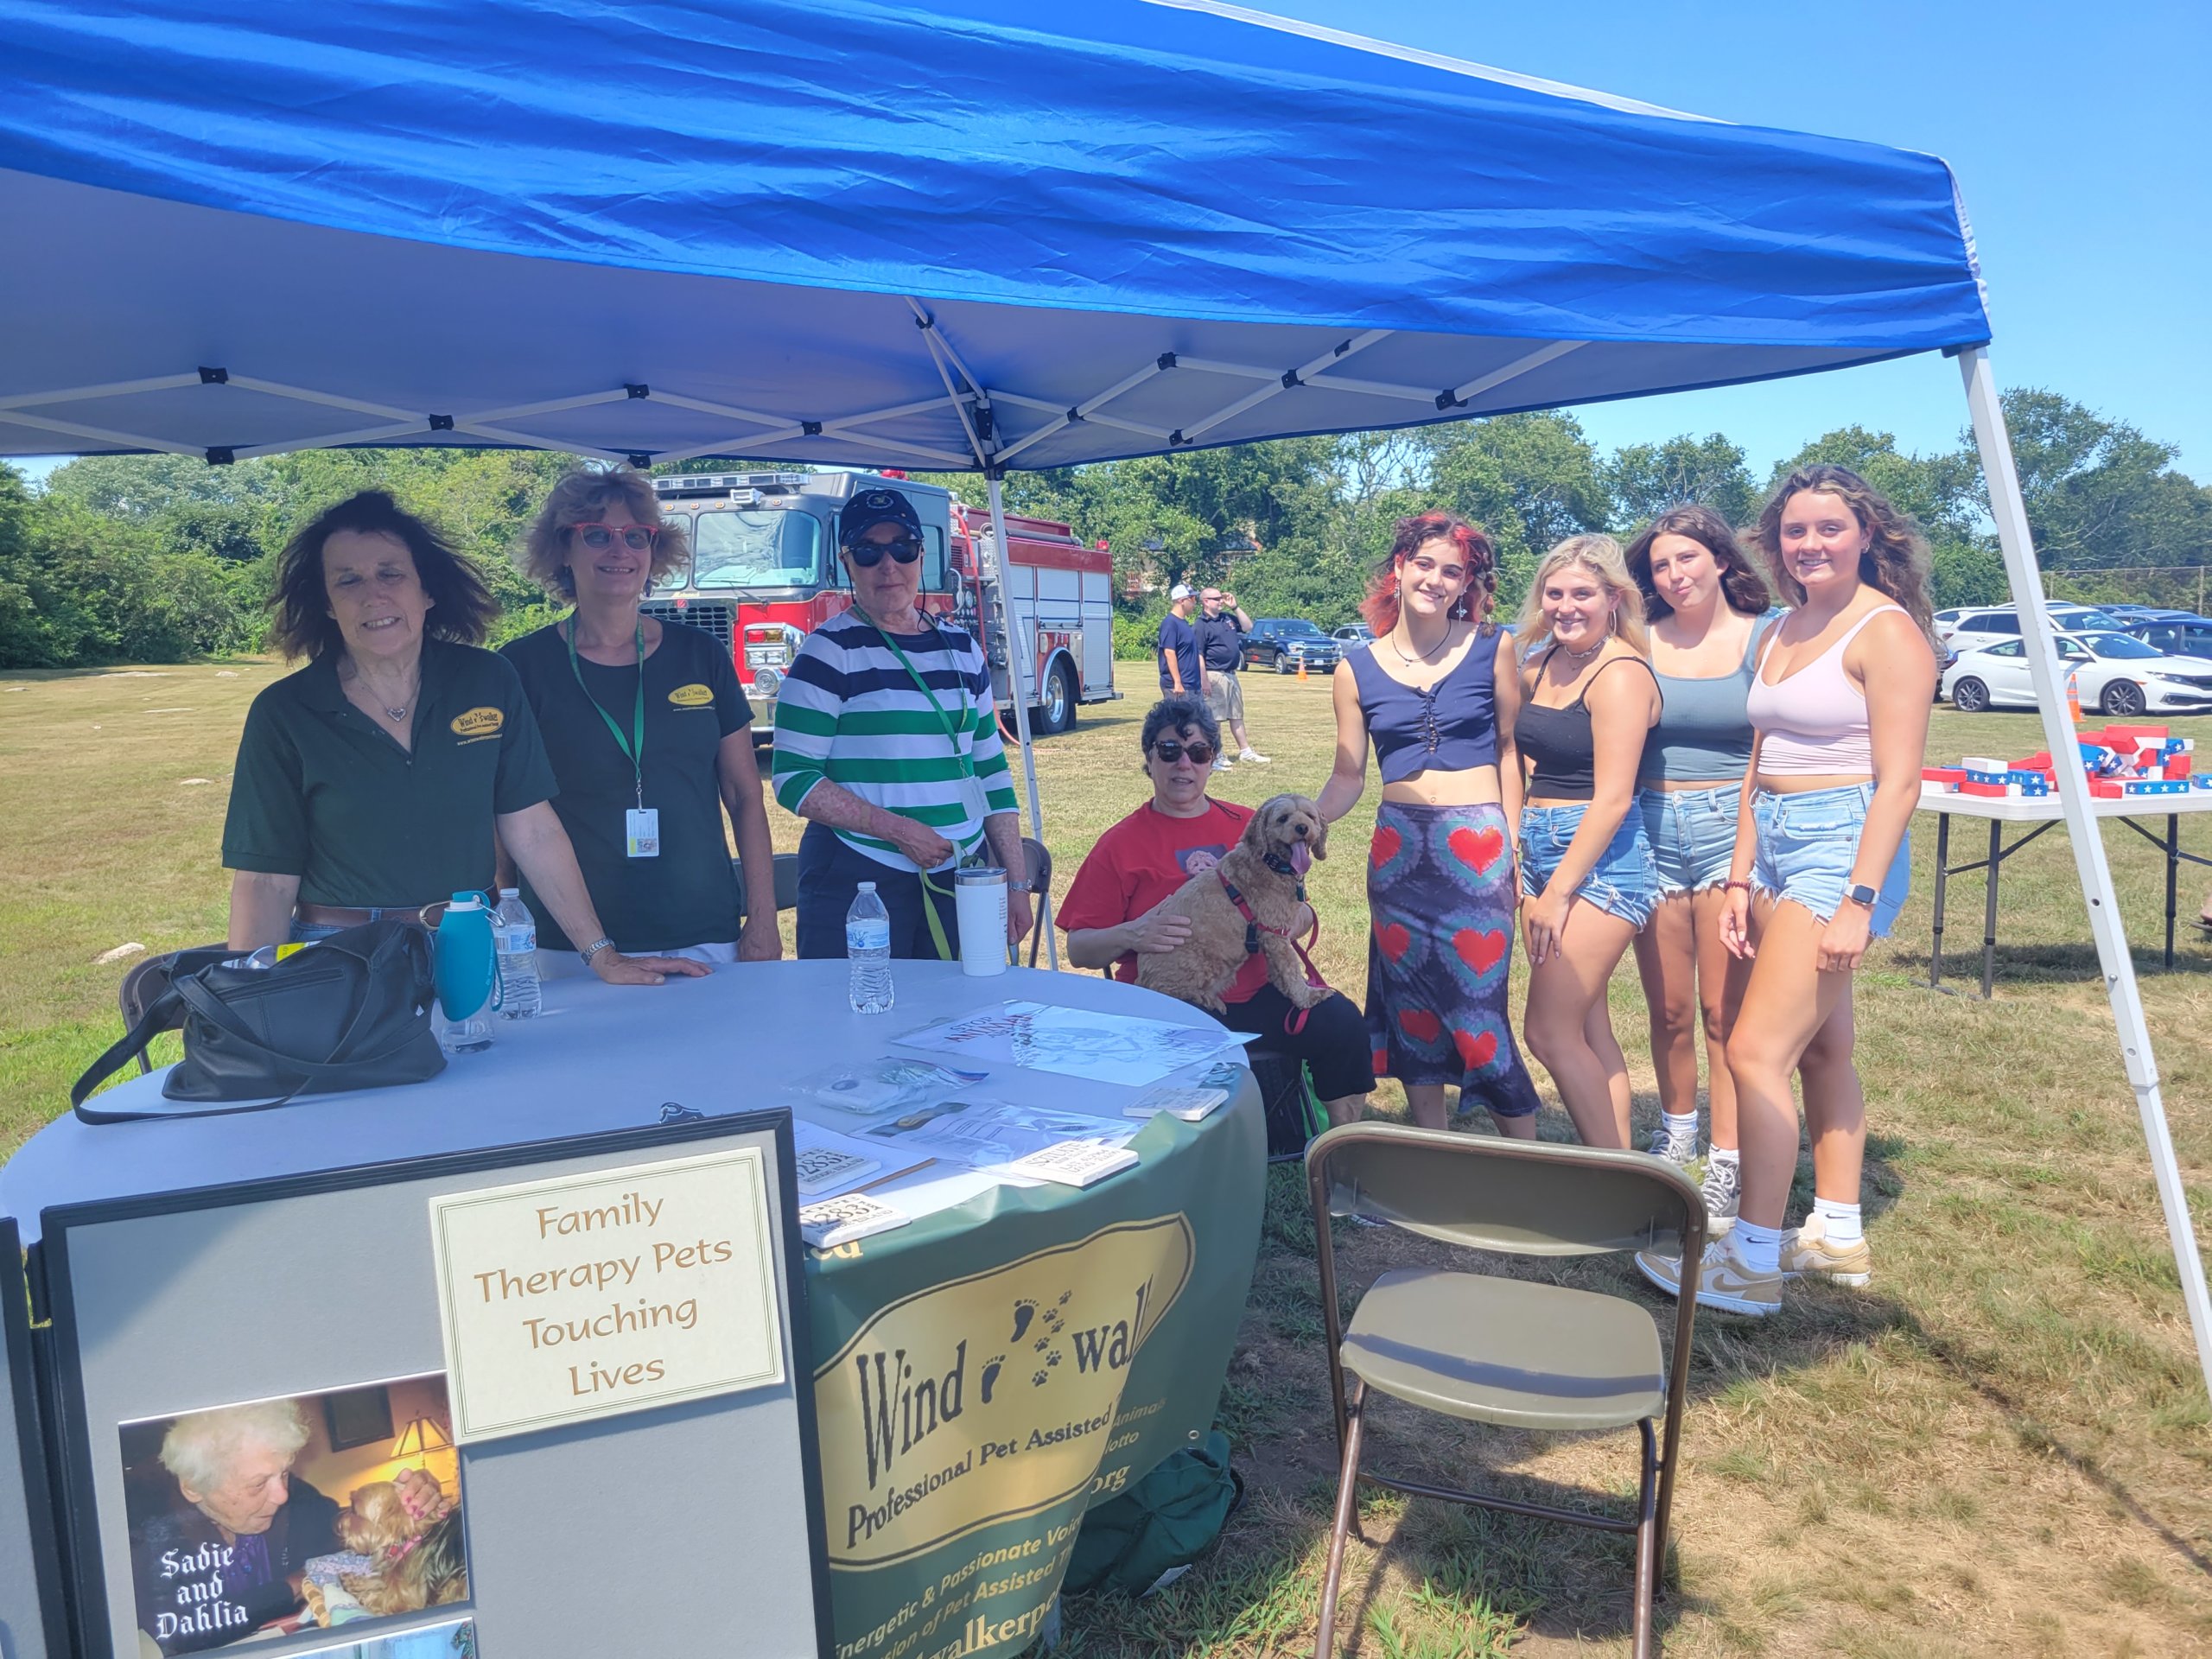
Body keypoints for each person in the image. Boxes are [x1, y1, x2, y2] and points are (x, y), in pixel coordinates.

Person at [1638, 465, 1936, 1317]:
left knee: (1752, 1052)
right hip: (1771, 842)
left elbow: (1900, 782)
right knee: (1820, 1048)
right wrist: (1739, 876)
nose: (1810, 544)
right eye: (1795, 531)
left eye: (1829, 528)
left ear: (1866, 535)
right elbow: (1758, 761)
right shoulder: (1777, 629)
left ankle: (1751, 1261)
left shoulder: (1887, 632)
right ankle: (1835, 1232)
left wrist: (1858, 901)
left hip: (1842, 846)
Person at [220, 491, 705, 986]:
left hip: (472, 943)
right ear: (327, 603)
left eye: (391, 574)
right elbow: (265, 879)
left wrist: (601, 954)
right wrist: (248, 994)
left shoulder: (486, 680)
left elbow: (532, 829)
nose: (374, 595)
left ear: (428, 590)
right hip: (340, 958)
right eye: (349, 580)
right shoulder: (287, 711)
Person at [499, 466, 781, 976]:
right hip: (571, 948)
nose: (619, 550)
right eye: (597, 535)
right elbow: (507, 815)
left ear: (654, 550)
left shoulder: (701, 655)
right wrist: (505, 925)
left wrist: (762, 919)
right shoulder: (521, 667)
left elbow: (744, 795)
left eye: (636, 536)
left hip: (703, 933)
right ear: (563, 549)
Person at [1318, 512, 1542, 1134]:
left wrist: (1512, 842)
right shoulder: (1354, 669)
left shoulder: (1493, 647)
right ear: (1399, 568)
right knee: (1411, 1008)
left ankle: (1528, 1161)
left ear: (1466, 583)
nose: (1436, 580)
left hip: (1479, 850)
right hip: (1398, 856)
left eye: (1452, 571)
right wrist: (1310, 818)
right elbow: (1347, 776)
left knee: (1479, 1013)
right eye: (1424, 565)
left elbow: (1509, 751)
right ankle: (1433, 1153)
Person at [1060, 696, 1373, 1126]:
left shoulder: (1253, 824)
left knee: (1343, 1024)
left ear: (1212, 760)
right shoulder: (1119, 845)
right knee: (1194, 1052)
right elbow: (1079, 949)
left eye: (1199, 752)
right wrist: (1132, 933)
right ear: (1149, 758)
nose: (1184, 764)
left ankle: (1344, 1147)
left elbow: (1293, 904)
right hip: (1175, 1002)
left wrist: (1300, 917)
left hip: (1260, 993)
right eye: (1169, 751)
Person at [772, 485, 1033, 959]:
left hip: (961, 873)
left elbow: (991, 772)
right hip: (859, 874)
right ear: (847, 563)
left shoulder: (962, 648)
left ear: (922, 555)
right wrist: (897, 830)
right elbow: (794, 779)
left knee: (959, 1005)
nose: (888, 565)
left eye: (902, 548)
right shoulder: (828, 653)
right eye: (868, 552)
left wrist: (1014, 882)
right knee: (859, 1003)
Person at [1624, 505, 1774, 1230]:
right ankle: (1676, 1132)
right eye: (1660, 565)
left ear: (1720, 558)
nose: (1674, 574)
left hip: (1728, 831)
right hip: (1648, 827)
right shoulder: (1637, 638)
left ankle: (1727, 1159)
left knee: (1724, 1013)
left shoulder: (1764, 638)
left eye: (1687, 558)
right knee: (1669, 1010)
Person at [1513, 533, 1663, 1149]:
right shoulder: (1540, 663)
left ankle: (1615, 1177)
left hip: (1602, 859)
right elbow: (1521, 757)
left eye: (1582, 594)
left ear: (1613, 599)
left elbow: (1614, 798)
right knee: (1588, 1026)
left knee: (1548, 1032)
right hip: (1540, 847)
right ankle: (1621, 1158)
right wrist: (1520, 847)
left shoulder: (1621, 674)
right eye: (1554, 594)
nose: (1566, 606)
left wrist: (1556, 894)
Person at [127, 1399, 446, 1654]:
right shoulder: (147, 1534)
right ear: (195, 1487)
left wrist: (415, 1516)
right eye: (258, 1484)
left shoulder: (299, 1500)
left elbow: (357, 1536)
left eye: (284, 1473)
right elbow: (180, 1634)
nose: (282, 1494)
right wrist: (294, 1583)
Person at [1197, 585, 1268, 768]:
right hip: (1214, 674)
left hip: (1231, 674)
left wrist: (1235, 607)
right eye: (1216, 598)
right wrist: (1204, 679)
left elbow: (1248, 627)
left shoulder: (1226, 618)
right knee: (1215, 717)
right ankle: (1217, 754)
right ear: (1206, 602)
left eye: (1221, 597)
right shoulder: (1201, 624)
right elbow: (1199, 654)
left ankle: (1246, 751)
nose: (1221, 601)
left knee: (1236, 714)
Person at [1156, 584, 1204, 698]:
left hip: (1192, 684)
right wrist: (1177, 682)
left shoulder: (1183, 623)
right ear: (1182, 601)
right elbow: (1169, 652)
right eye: (1192, 599)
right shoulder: (1170, 623)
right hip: (1179, 687)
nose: (1195, 602)